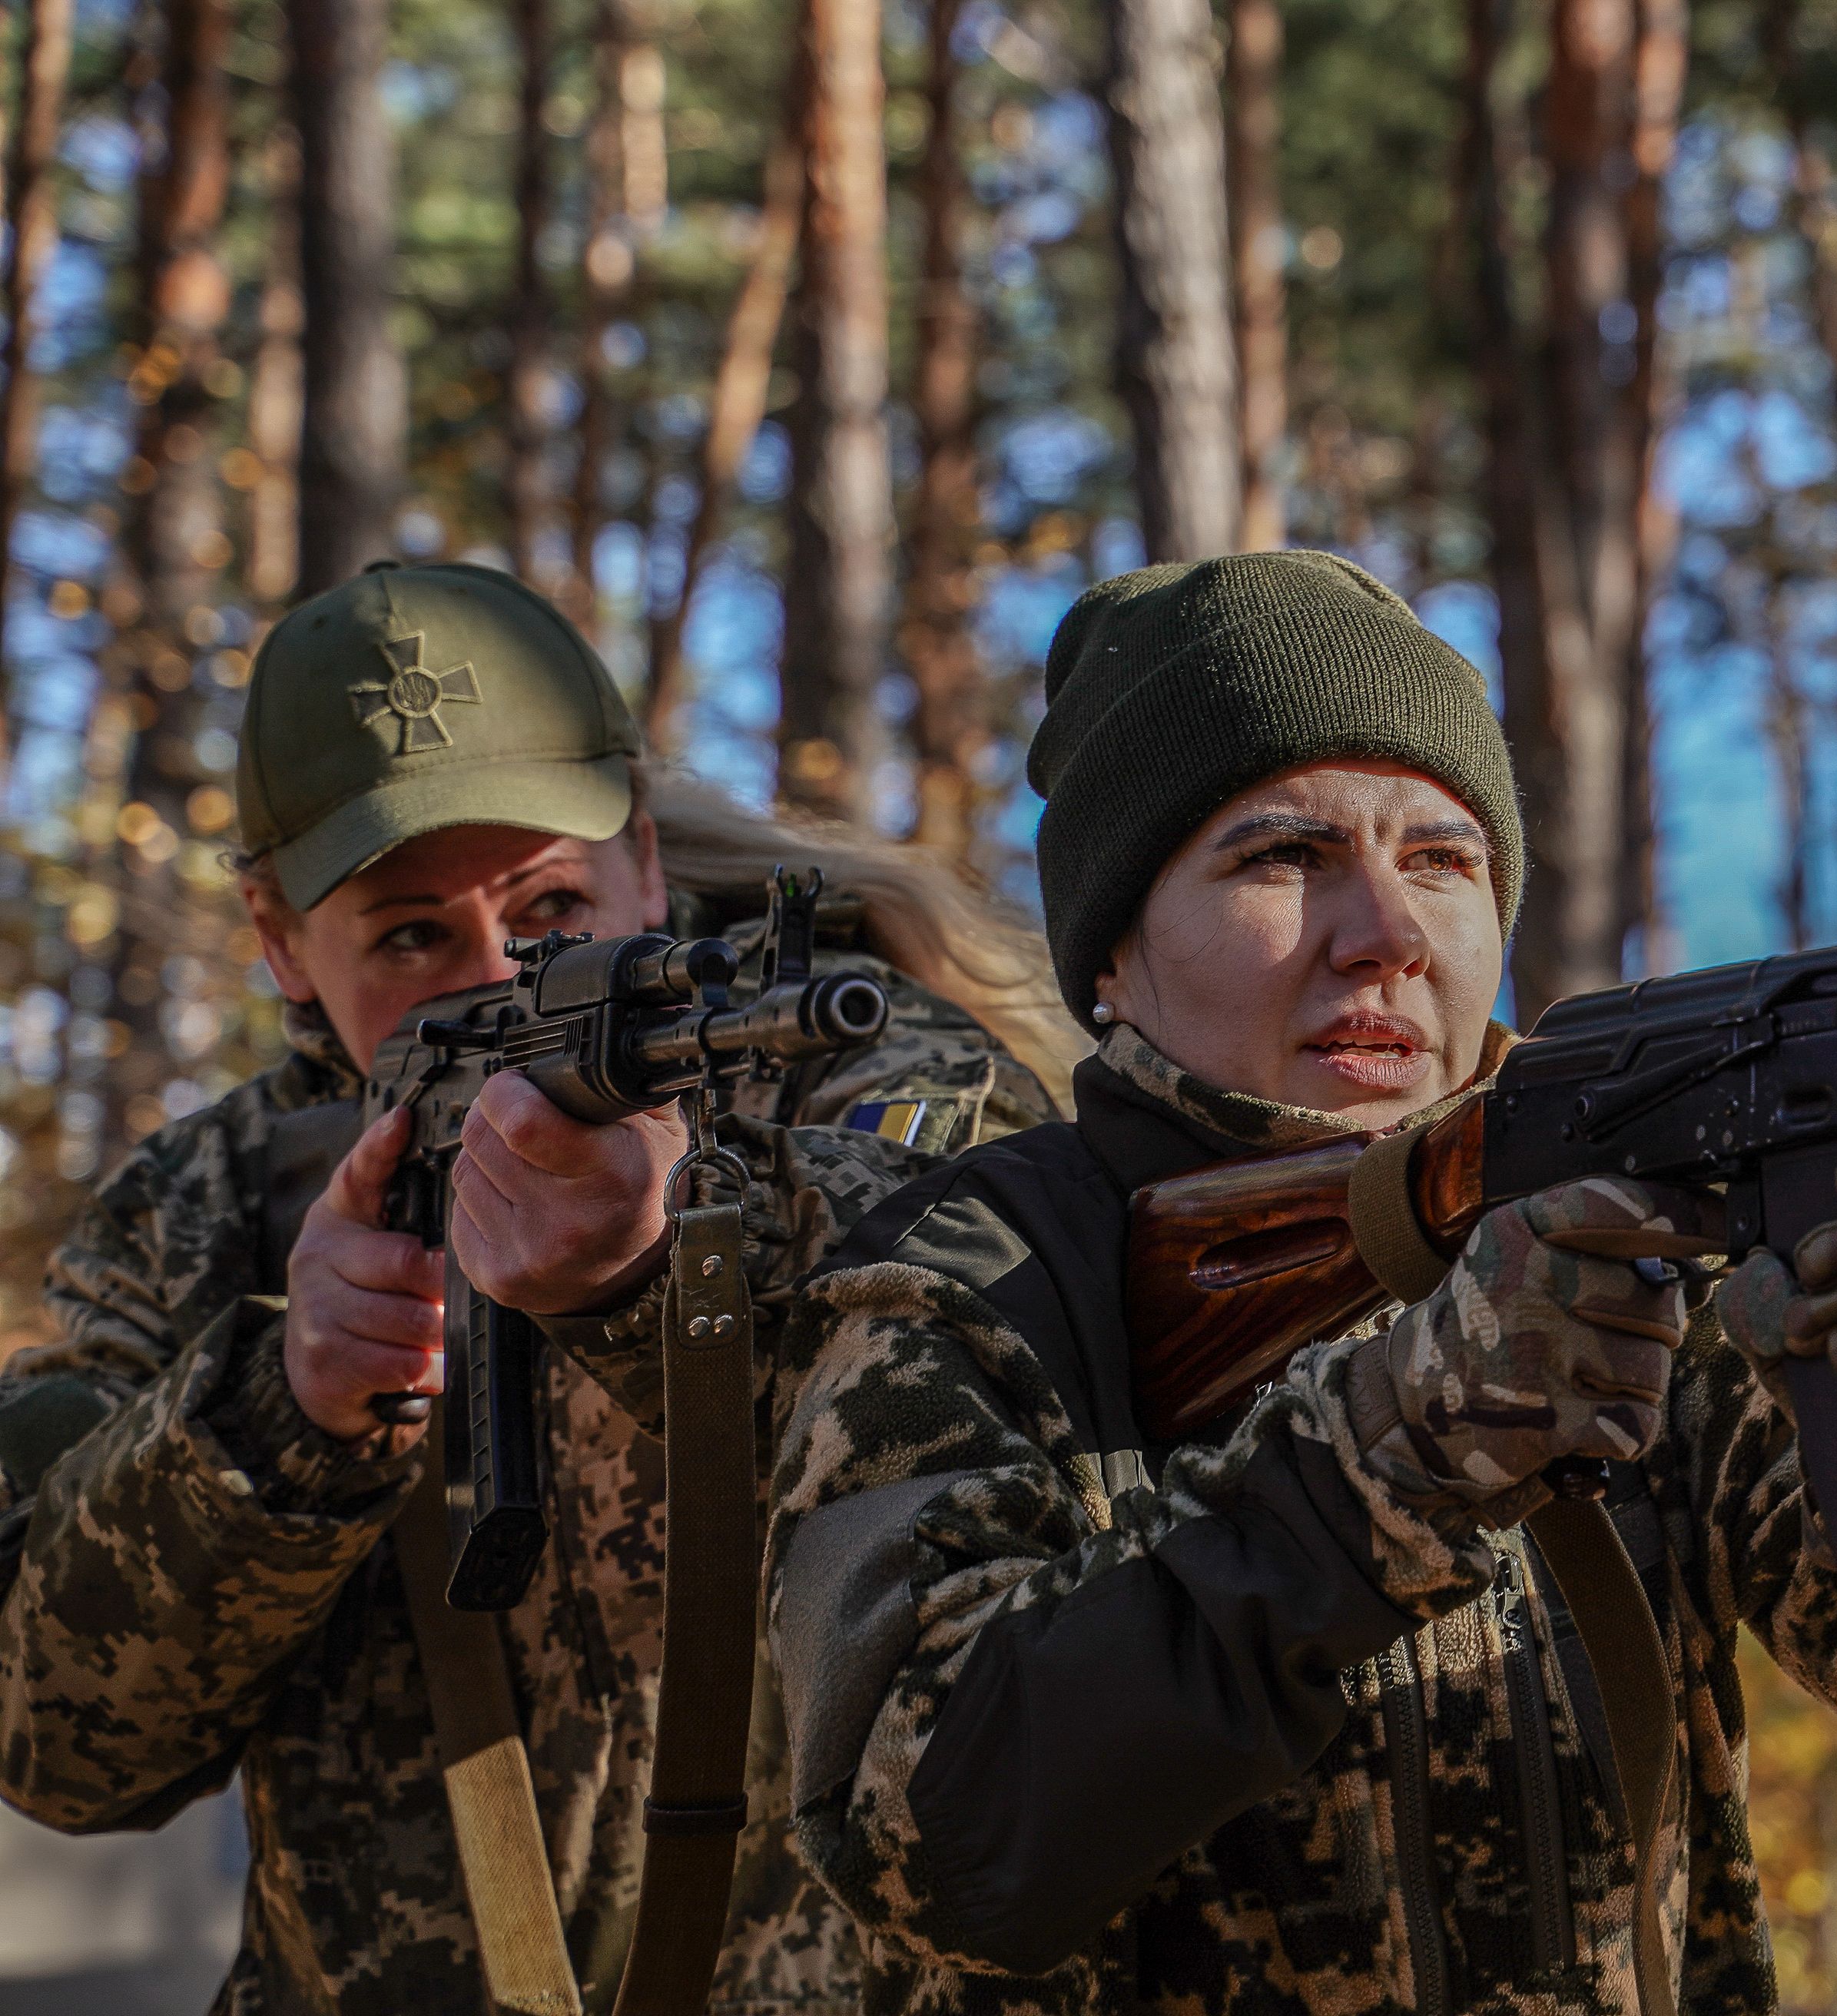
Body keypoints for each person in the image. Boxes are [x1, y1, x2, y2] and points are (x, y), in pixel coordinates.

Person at [766, 551, 1837, 2014]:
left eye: (1442, 859)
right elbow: (923, 1842)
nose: (1386, 932)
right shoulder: (961, 1276)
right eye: (1283, 857)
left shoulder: (1633, 1225)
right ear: (1115, 961)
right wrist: (1383, 1462)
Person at [0, 561, 1069, 2014]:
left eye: (551, 900)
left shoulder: (885, 1079)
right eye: (408, 935)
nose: (502, 970)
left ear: (639, 845)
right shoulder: (204, 1217)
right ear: (277, 943)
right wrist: (282, 1413)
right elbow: (57, 1754)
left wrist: (657, 1276)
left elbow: (1006, 1428)